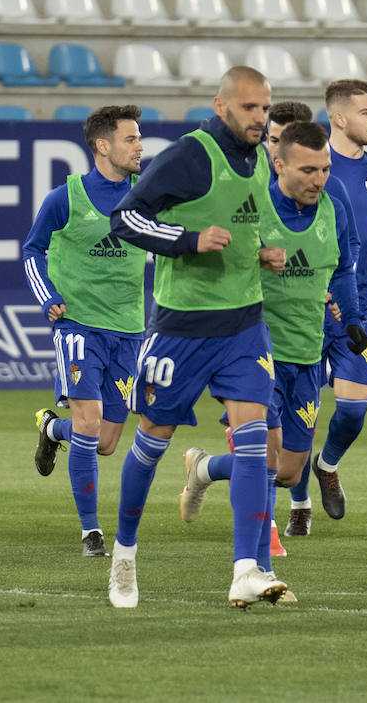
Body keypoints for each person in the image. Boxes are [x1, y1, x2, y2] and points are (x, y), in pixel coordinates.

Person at [105, 66, 288, 609]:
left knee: (253, 444)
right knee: (150, 443)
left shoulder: (256, 159)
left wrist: (260, 253)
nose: (261, 118)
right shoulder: (191, 155)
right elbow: (126, 219)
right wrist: (187, 239)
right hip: (181, 329)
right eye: (251, 108)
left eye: (266, 108)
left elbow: (243, 223)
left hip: (244, 326)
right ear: (221, 105)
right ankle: (124, 555)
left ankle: (245, 570)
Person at [177, 121, 366, 580]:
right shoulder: (253, 209)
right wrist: (255, 256)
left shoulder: (334, 210)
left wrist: (353, 318)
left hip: (307, 354)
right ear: (278, 165)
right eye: (308, 170)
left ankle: (204, 468)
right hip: (252, 348)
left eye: (324, 169)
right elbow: (215, 261)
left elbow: (342, 271)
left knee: (286, 472)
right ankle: (254, 567)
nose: (319, 179)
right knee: (263, 458)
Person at [23, 105, 146, 558]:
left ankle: (53, 430)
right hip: (77, 325)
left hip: (129, 328)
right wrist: (47, 296)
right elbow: (32, 251)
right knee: (92, 425)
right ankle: (91, 533)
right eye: (130, 139)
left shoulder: (147, 195)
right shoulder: (66, 198)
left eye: (139, 138)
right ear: (103, 146)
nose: (140, 147)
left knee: (107, 442)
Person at [308, 80, 367, 527]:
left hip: (358, 305)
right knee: (292, 421)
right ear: (338, 118)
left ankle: (326, 466)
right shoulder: (308, 169)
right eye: (366, 111)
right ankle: (288, 507)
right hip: (304, 303)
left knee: (352, 411)